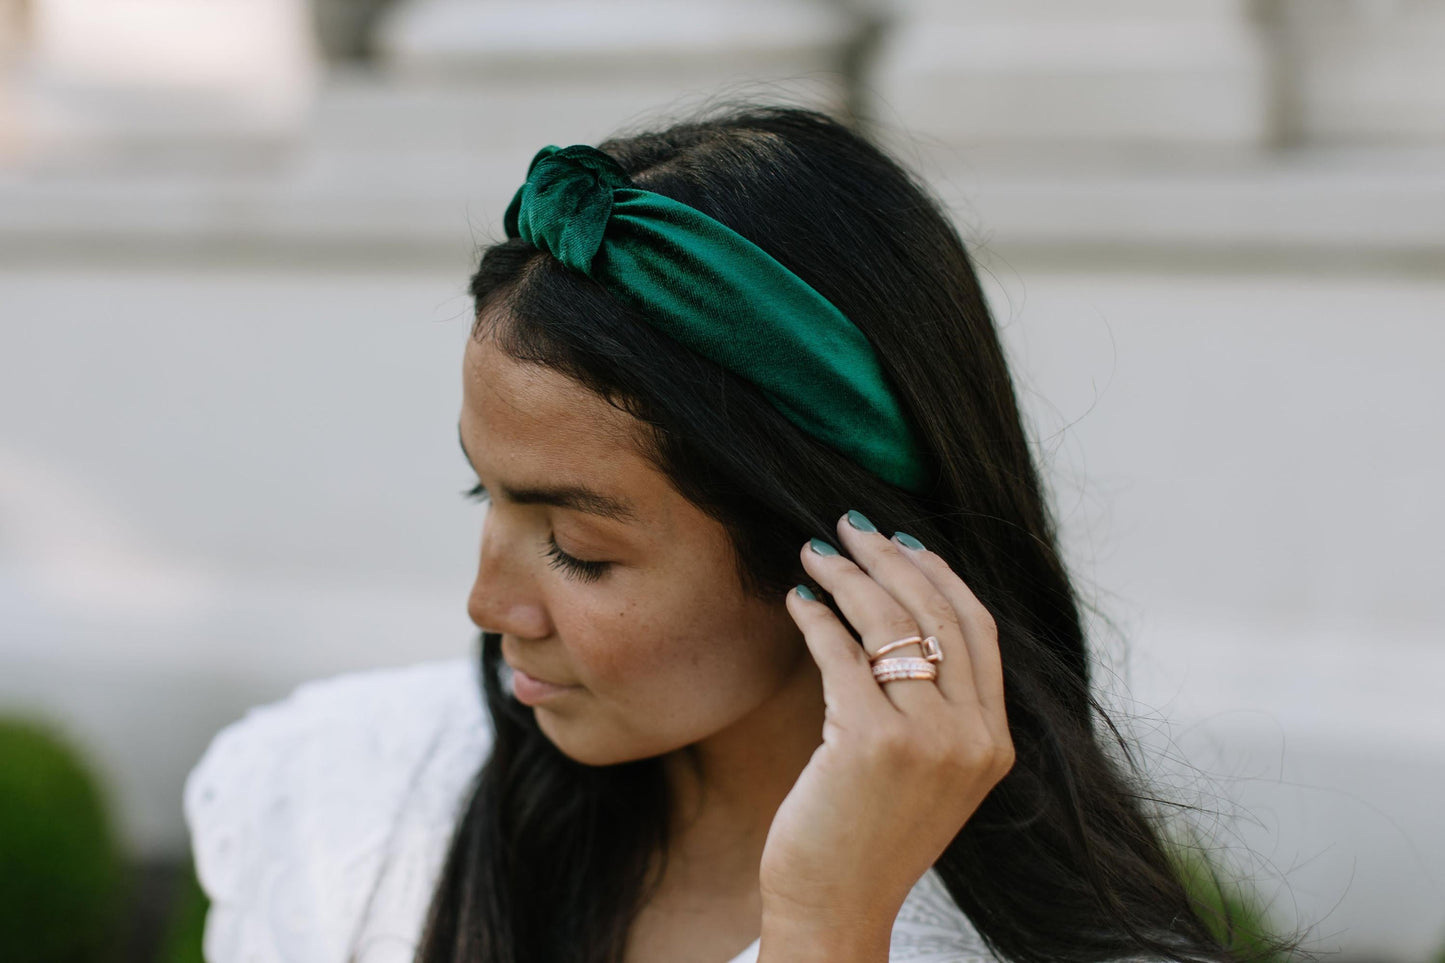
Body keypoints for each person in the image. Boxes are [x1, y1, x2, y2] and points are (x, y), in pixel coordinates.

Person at [184, 104, 1261, 963]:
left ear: (843, 557)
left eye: (578, 549)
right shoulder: (345, 803)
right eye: (485, 494)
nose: (487, 606)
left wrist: (827, 930)